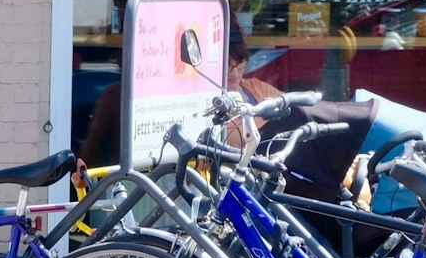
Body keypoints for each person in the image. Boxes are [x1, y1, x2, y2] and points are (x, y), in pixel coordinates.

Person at [75, 14, 278, 171]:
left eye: (240, 65)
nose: (234, 75)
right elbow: (94, 158)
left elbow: (295, 114)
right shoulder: (182, 100)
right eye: (226, 66)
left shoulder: (257, 89)